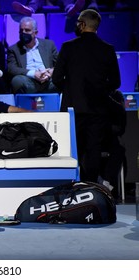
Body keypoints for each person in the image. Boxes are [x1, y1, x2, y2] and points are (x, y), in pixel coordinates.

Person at [52, 9, 121, 183]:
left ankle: (73, 188)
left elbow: (56, 78)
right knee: (93, 151)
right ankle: (90, 189)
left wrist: (69, 89)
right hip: (98, 109)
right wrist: (100, 91)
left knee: (73, 150)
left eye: (77, 23)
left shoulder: (68, 47)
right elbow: (116, 82)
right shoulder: (107, 49)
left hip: (72, 109)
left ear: (82, 24)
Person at [7, 16, 58, 94]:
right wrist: (34, 74)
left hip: (48, 80)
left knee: (64, 78)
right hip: (28, 81)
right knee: (17, 81)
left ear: (35, 33)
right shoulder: (13, 49)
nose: (23, 33)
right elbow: (12, 68)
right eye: (21, 30)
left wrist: (51, 71)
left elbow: (60, 63)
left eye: (27, 30)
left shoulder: (49, 44)